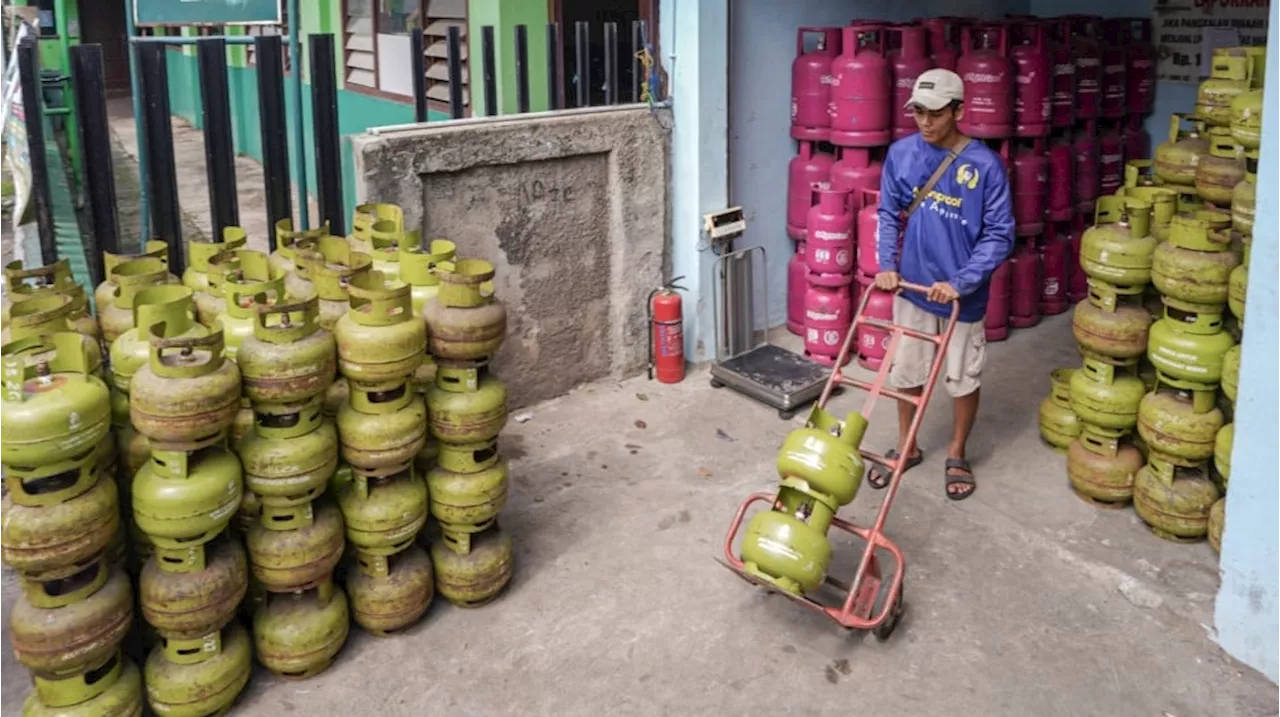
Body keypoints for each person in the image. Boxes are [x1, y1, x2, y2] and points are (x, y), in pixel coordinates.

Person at [867, 68, 1015, 501]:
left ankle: (956, 452)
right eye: (918, 113)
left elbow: (1000, 233)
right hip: (912, 286)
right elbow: (889, 214)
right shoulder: (901, 154)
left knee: (961, 379)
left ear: (959, 111)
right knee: (905, 371)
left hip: (959, 299)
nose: (926, 123)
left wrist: (962, 282)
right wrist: (887, 265)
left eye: (935, 114)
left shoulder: (985, 166)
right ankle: (907, 445)